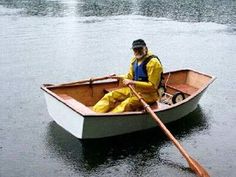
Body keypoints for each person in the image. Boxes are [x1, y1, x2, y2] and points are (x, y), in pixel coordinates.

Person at [92, 39, 163, 113]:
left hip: (149, 95)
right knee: (110, 95)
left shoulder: (153, 63)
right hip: (134, 90)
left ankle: (106, 118)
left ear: (145, 48)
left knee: (126, 104)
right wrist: (117, 76)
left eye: (140, 49)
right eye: (135, 49)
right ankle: (94, 114)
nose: (137, 52)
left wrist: (132, 82)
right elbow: (129, 77)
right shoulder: (134, 59)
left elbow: (153, 86)